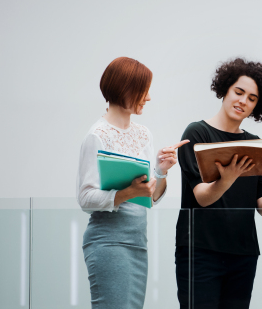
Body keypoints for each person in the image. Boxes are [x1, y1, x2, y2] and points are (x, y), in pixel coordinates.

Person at [175, 58, 262, 309]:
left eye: (252, 98)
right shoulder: (197, 134)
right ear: (225, 90)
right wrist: (227, 178)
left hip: (243, 254)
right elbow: (202, 197)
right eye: (239, 92)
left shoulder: (254, 144)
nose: (243, 101)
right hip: (200, 251)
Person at [77, 57, 189, 309]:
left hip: (138, 242)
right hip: (108, 242)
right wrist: (127, 192)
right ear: (125, 88)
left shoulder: (143, 134)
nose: (147, 98)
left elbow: (148, 197)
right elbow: (85, 198)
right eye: (143, 90)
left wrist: (161, 170)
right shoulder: (97, 136)